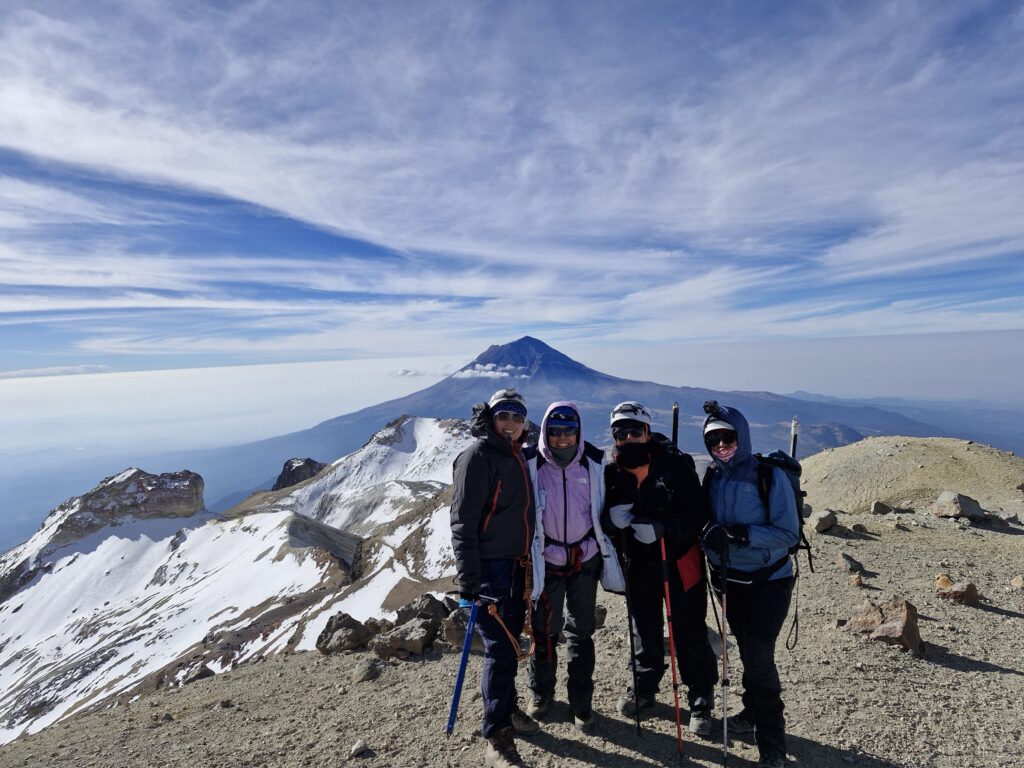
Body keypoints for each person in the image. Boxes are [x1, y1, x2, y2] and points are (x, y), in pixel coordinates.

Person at [601, 401, 717, 735]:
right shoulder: (612, 470)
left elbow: (697, 514)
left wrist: (664, 528)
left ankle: (700, 699)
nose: (628, 437)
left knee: (689, 629)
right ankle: (644, 688)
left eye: (635, 430)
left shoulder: (675, 464)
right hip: (638, 565)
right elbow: (602, 518)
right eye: (620, 432)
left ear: (647, 431)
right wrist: (612, 523)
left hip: (680, 560)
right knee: (644, 629)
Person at [700, 403, 799, 768]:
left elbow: (788, 534)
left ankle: (772, 745)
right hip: (730, 582)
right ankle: (751, 713)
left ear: (742, 437)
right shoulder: (714, 476)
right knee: (746, 649)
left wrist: (740, 535)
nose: (721, 444)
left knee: (758, 661)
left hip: (766, 583)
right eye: (714, 439)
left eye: (728, 437)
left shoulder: (768, 477)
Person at [450, 389, 540, 768]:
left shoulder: (515, 454)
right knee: (501, 650)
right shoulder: (478, 456)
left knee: (509, 647)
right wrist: (470, 581)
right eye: (504, 416)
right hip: (490, 572)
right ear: (491, 418)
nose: (511, 424)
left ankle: (507, 708)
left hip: (516, 568)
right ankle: (496, 737)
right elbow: (462, 522)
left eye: (518, 418)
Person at [524, 402, 625, 733]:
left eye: (569, 432)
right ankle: (541, 694)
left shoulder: (594, 462)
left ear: (578, 432)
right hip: (547, 561)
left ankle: (581, 701)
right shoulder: (531, 463)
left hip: (585, 558)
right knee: (545, 631)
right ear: (545, 433)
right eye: (555, 432)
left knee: (581, 632)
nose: (563, 439)